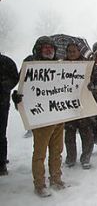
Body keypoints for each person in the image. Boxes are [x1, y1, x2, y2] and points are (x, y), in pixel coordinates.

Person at [13, 36, 67, 197]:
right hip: (41, 117)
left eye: (51, 47)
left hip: (58, 114)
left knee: (57, 151)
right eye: (45, 47)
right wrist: (17, 98)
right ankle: (39, 184)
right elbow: (24, 88)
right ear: (38, 49)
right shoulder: (30, 65)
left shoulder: (60, 65)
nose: (49, 50)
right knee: (40, 153)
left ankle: (56, 179)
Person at [64, 43, 95, 169]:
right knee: (69, 135)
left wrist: (92, 86)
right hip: (67, 105)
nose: (72, 53)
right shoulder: (60, 65)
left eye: (74, 51)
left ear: (79, 52)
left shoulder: (87, 65)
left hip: (84, 104)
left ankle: (86, 158)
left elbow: (93, 80)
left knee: (87, 134)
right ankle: (71, 158)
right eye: (69, 51)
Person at [0, 52, 19, 176]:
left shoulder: (6, 61)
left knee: (1, 133)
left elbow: (15, 78)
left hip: (2, 103)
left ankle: (1, 162)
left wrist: (3, 86)